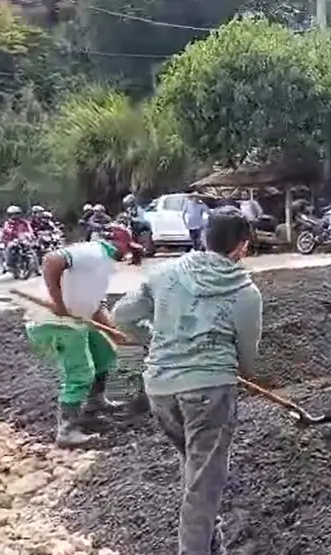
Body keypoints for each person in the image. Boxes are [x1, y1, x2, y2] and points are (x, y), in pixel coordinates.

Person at [112, 206, 262, 555]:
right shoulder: (245, 292)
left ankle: (210, 544)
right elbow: (248, 357)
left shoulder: (166, 273)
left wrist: (152, 338)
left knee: (196, 471)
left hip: (161, 389)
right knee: (203, 485)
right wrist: (243, 373)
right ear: (241, 247)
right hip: (209, 393)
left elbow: (121, 316)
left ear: (204, 238)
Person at [25, 230, 133, 447]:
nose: (128, 255)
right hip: (55, 322)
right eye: (128, 249)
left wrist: (115, 334)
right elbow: (51, 260)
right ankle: (67, 431)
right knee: (81, 372)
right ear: (118, 244)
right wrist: (58, 303)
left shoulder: (100, 265)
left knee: (104, 353)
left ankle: (96, 404)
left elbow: (94, 306)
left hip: (78, 320)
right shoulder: (92, 251)